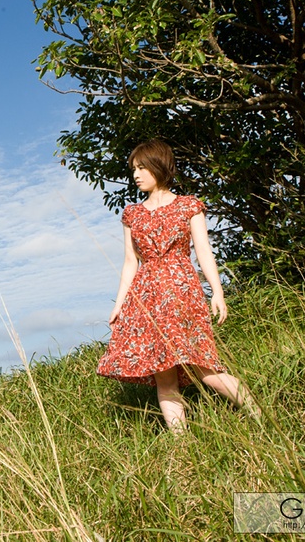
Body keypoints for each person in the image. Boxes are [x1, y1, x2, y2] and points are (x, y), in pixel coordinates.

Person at [96, 139, 257, 432]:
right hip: (145, 297)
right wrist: (119, 304)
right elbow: (130, 262)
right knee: (164, 375)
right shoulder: (132, 214)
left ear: (160, 166)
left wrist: (217, 291)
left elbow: (204, 252)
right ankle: (180, 446)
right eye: (134, 168)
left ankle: (259, 413)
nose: (136, 174)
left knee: (203, 367)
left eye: (142, 167)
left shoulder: (188, 206)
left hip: (181, 291)